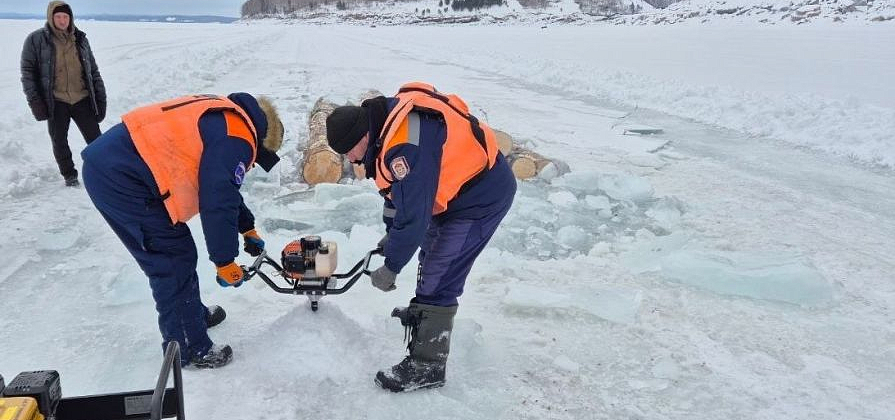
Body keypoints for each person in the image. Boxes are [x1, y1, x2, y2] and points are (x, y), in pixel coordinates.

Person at [326, 82, 516, 392]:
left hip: (479, 198)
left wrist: (392, 266)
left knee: (441, 271)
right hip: (451, 194)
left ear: (362, 138)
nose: (351, 159)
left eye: (349, 151)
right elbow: (398, 198)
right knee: (429, 254)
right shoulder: (384, 130)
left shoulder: (403, 148)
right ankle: (427, 318)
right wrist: (392, 237)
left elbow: (413, 217)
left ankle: (428, 364)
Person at [81, 93, 283, 369]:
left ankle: (190, 317)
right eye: (257, 160)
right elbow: (217, 197)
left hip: (118, 167)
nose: (252, 164)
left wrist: (247, 227)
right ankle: (187, 346)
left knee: (178, 251)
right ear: (261, 142)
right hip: (123, 178)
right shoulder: (239, 138)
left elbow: (223, 187)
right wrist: (224, 261)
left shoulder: (228, 118)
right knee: (172, 258)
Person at [21, 1, 106, 187]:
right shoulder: (36, 40)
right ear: (51, 17)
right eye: (58, 16)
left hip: (81, 97)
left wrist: (100, 97)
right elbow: (28, 72)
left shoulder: (81, 39)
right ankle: (70, 175)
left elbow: (93, 70)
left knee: (96, 140)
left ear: (70, 18)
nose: (62, 20)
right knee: (59, 140)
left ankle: (104, 171)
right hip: (56, 100)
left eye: (65, 17)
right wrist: (35, 100)